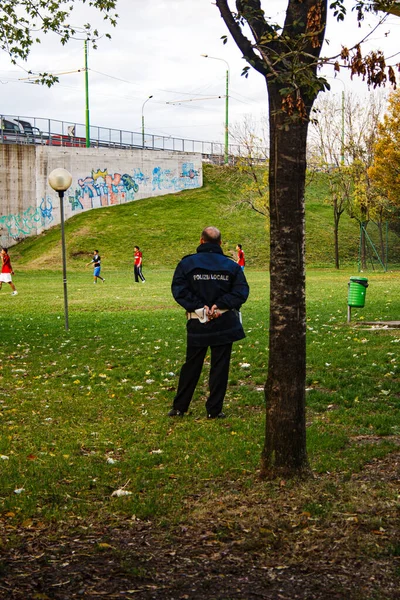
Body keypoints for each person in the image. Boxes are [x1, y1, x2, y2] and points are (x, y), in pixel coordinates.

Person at [169, 226, 249, 419]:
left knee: (192, 365)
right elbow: (241, 291)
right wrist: (219, 305)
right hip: (224, 322)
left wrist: (199, 307)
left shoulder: (187, 264)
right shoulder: (232, 266)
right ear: (220, 243)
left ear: (201, 241)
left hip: (198, 322)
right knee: (220, 367)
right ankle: (214, 410)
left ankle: (180, 407)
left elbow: (179, 290)